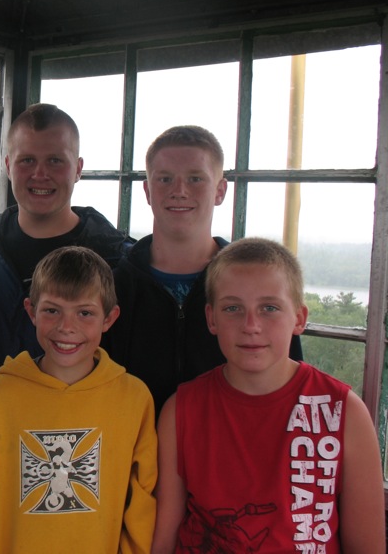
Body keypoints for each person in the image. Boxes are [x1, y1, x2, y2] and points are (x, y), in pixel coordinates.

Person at [152, 237, 385, 553]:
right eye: (233, 308)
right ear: (211, 318)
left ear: (299, 318)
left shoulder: (343, 412)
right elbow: (164, 539)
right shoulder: (181, 410)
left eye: (269, 308)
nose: (251, 325)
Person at [0, 246, 157, 553]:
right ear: (31, 311)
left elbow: (142, 502)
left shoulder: (133, 399)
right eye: (52, 310)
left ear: (109, 318)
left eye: (85, 313)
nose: (67, 327)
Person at [105, 125, 301, 416]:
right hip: (131, 442)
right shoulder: (112, 287)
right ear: (147, 190)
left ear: (220, 190)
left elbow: (289, 384)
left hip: (230, 441)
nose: (179, 191)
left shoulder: (257, 286)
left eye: (195, 178)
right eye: (165, 179)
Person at [0, 103, 133, 379]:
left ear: (78, 169)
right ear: (8, 166)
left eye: (55, 161)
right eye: (27, 160)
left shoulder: (117, 260)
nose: (40, 174)